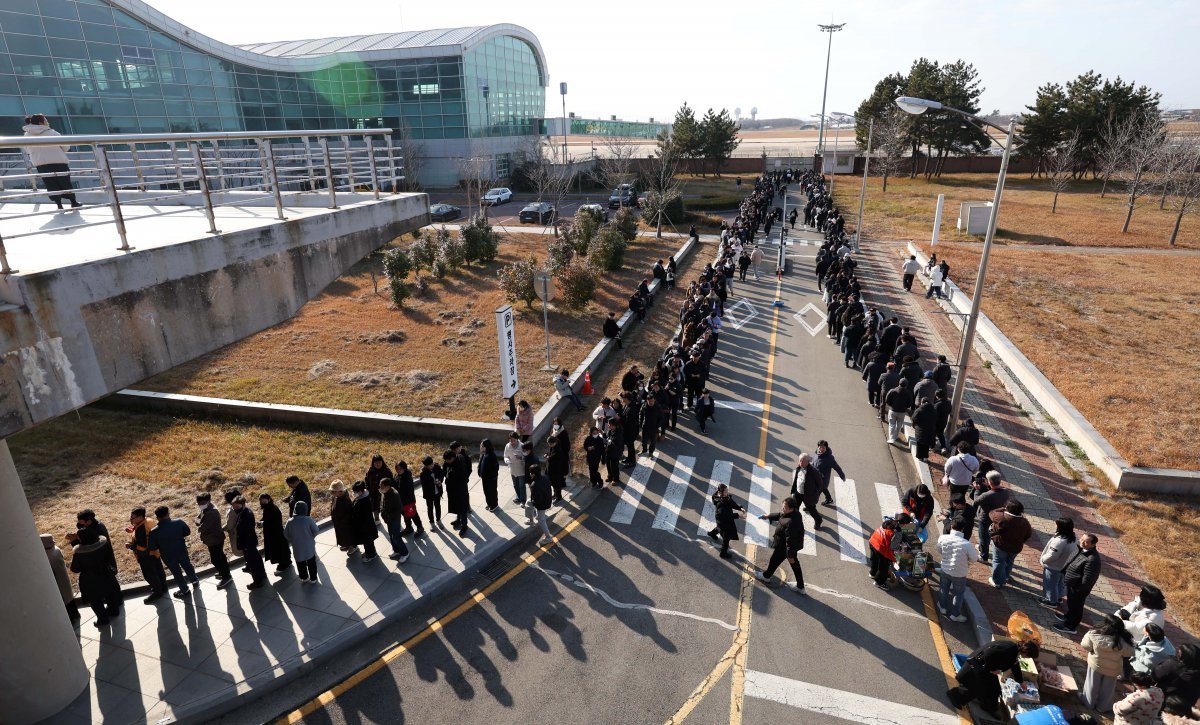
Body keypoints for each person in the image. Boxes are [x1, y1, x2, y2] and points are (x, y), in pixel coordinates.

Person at [947, 638, 1040, 715]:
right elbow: (988, 653)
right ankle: (955, 695)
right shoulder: (1009, 650)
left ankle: (987, 706)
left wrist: (1021, 682)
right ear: (1026, 652)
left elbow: (1015, 666)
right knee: (981, 688)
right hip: (975, 668)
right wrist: (991, 669)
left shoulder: (1014, 650)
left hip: (983, 669)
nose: (1027, 658)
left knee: (995, 689)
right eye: (1028, 656)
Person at [22, 114, 83, 210]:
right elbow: (66, 147)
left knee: (50, 184)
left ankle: (59, 205)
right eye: (45, 120)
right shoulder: (52, 132)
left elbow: (26, 149)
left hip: (40, 163)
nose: (47, 122)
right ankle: (73, 202)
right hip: (58, 161)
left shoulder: (26, 135)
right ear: (40, 122)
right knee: (65, 182)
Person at [68, 523, 122, 628]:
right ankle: (114, 611)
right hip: (106, 574)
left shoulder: (79, 553)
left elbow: (75, 569)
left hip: (90, 581)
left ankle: (103, 619)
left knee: (95, 601)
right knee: (110, 594)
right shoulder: (104, 543)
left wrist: (74, 543)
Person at [1081, 613, 1137, 713]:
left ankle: (1089, 703)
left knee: (1091, 684)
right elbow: (1130, 652)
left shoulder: (1094, 634)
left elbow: (1085, 645)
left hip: (1096, 665)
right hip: (1113, 668)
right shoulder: (1122, 640)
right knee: (1108, 689)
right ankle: (1103, 707)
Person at [754, 496, 806, 593]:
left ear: (791, 508)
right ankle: (800, 586)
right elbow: (780, 515)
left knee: (774, 560)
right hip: (789, 547)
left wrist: (790, 554)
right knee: (795, 565)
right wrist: (768, 516)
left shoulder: (790, 523)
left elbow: (790, 539)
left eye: (785, 507)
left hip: (784, 547)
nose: (783, 508)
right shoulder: (795, 513)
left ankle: (766, 576)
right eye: (783, 506)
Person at [1054, 533, 1102, 635]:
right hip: (1072, 584)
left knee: (1076, 607)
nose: (1082, 542)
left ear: (1093, 545)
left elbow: (1088, 578)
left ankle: (1070, 627)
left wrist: (1079, 590)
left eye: (1086, 541)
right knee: (1071, 604)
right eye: (1081, 539)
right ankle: (1067, 616)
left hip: (1078, 588)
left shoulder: (1092, 559)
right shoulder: (1081, 549)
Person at [152, 505, 199, 598]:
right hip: (181, 550)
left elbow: (153, 547)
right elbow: (187, 532)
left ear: (157, 517)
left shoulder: (154, 532)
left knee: (176, 573)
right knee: (187, 566)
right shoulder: (178, 522)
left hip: (168, 556)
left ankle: (184, 590)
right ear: (168, 513)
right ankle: (194, 580)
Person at [936, 520, 978, 622]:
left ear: (951, 527)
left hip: (945, 569)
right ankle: (955, 614)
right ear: (963, 529)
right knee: (958, 594)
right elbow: (974, 559)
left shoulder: (943, 538)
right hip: (960, 573)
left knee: (943, 589)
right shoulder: (967, 544)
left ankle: (943, 607)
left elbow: (939, 550)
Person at [126, 507, 167, 604]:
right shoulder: (148, 520)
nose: (131, 519)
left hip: (146, 555)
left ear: (140, 517)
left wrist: (130, 546)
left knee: (149, 575)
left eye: (132, 518)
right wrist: (133, 528)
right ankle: (163, 588)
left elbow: (142, 546)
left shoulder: (141, 529)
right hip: (155, 552)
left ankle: (157, 592)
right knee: (159, 571)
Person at [988, 500, 1032, 589]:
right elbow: (1028, 535)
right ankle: (1006, 576)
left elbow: (991, 513)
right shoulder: (1025, 522)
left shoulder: (1001, 517)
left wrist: (1002, 508)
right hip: (1016, 547)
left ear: (1008, 509)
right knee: (1009, 561)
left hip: (1001, 545)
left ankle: (997, 582)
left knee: (998, 561)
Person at [196, 492, 233, 589]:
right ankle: (224, 572)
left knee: (216, 559)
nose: (200, 505)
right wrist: (198, 522)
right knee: (220, 556)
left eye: (202, 503)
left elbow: (202, 528)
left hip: (214, 539)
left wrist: (198, 526)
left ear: (208, 501)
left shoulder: (211, 512)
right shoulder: (208, 508)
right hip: (214, 538)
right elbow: (199, 518)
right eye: (199, 503)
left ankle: (226, 577)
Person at [1039, 517, 1077, 609]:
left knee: (1051, 584)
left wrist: (1043, 560)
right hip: (1064, 566)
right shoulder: (1073, 538)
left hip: (1053, 567)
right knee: (1060, 583)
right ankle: (1058, 597)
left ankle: (1051, 601)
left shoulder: (1059, 541)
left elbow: (1052, 556)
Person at [232, 495, 268, 590]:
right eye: (234, 507)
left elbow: (245, 531)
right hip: (250, 541)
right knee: (256, 558)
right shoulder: (246, 512)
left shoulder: (246, 515)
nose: (235, 509)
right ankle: (262, 575)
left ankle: (257, 581)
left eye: (237, 507)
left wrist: (243, 544)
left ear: (243, 504)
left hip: (247, 542)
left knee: (253, 562)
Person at [42, 533, 79, 621]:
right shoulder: (56, 550)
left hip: (57, 581)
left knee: (64, 600)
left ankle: (71, 618)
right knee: (69, 597)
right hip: (64, 578)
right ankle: (76, 614)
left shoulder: (47, 555)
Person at [971, 470, 1007, 561]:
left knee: (983, 537)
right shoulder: (1005, 492)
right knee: (989, 535)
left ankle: (983, 556)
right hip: (997, 517)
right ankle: (981, 547)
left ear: (990, 482)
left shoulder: (987, 495)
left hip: (986, 518)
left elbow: (976, 500)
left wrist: (977, 490)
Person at [1155, 643, 1200, 714]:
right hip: (1184, 705)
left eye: (1179, 652)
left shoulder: (1172, 664)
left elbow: (1156, 675)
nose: (1177, 652)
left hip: (1166, 698)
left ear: (1184, 657)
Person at [284, 501, 321, 584]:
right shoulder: (308, 519)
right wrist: (311, 536)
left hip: (297, 546)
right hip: (309, 546)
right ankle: (313, 578)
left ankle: (304, 577)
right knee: (311, 562)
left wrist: (292, 539)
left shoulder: (290, 522)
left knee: (300, 563)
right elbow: (316, 530)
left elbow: (286, 534)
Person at [707, 483, 745, 560]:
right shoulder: (721, 503)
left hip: (722, 520)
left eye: (727, 490)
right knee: (726, 538)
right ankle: (723, 553)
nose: (727, 492)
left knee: (720, 528)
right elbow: (725, 515)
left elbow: (731, 502)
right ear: (721, 492)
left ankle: (712, 533)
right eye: (726, 491)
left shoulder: (724, 496)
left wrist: (739, 508)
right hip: (723, 520)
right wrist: (738, 515)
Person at [378, 479, 410, 563]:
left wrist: (388, 516)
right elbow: (382, 504)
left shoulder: (394, 495)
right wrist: (383, 514)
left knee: (396, 537)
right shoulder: (384, 493)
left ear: (388, 486)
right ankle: (396, 550)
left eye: (382, 486)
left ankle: (405, 553)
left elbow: (399, 509)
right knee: (391, 535)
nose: (380, 487)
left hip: (394, 520)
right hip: (388, 519)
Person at [258, 494, 291, 576]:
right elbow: (267, 518)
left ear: (269, 499)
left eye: (264, 499)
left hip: (276, 534)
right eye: (261, 500)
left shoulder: (272, 508)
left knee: (278, 550)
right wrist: (262, 521)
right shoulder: (268, 507)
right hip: (275, 533)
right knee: (280, 549)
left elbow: (274, 522)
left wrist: (263, 523)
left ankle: (283, 565)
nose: (263, 501)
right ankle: (286, 562)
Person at [790, 453, 824, 530]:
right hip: (798, 493)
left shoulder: (814, 472)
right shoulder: (799, 467)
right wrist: (794, 491)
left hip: (808, 495)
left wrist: (815, 494)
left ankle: (818, 520)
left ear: (808, 462)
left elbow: (820, 485)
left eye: (803, 461)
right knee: (795, 508)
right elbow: (796, 479)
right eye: (800, 461)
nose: (801, 463)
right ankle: (795, 522)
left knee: (812, 510)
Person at [444, 448, 472, 538]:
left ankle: (464, 526)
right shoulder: (457, 458)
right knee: (457, 506)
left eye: (448, 460)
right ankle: (458, 519)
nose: (447, 462)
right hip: (455, 490)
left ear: (452, 457)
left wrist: (449, 477)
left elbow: (459, 478)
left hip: (460, 490)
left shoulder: (459, 465)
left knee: (463, 508)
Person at [392, 460, 424, 537]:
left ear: (404, 468)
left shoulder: (407, 477)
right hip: (401, 501)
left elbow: (403, 489)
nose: (398, 470)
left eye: (400, 469)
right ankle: (409, 528)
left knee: (413, 514)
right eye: (397, 469)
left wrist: (395, 488)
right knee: (406, 515)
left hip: (408, 501)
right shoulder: (397, 475)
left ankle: (420, 527)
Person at [350, 481, 379, 562]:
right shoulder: (361, 497)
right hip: (365, 526)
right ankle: (370, 552)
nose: (354, 493)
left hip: (365, 526)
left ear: (361, 491)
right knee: (368, 542)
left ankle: (371, 555)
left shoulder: (364, 501)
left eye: (355, 492)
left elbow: (361, 515)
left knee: (367, 542)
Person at [868, 518, 900, 590]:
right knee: (883, 568)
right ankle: (879, 583)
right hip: (881, 549)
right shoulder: (894, 533)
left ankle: (872, 573)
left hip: (873, 542)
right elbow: (894, 547)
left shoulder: (884, 526)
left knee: (875, 560)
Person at [528, 463, 554, 546]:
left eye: (530, 473)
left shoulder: (534, 485)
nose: (530, 474)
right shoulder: (545, 477)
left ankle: (548, 537)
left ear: (533, 474)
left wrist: (533, 502)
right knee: (528, 503)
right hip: (547, 500)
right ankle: (531, 520)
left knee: (541, 520)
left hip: (541, 505)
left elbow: (537, 501)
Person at [812, 440, 845, 506]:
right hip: (815, 477)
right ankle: (829, 499)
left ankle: (811, 506)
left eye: (823, 447)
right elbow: (812, 462)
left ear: (826, 448)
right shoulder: (816, 453)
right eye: (820, 447)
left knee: (815, 494)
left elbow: (837, 468)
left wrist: (842, 476)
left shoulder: (829, 458)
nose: (821, 449)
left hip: (822, 479)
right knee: (824, 489)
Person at [883, 378, 914, 444]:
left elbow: (887, 400)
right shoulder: (908, 393)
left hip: (892, 410)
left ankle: (891, 438)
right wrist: (905, 407)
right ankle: (896, 436)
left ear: (899, 383)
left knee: (892, 425)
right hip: (902, 412)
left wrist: (891, 405)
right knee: (899, 425)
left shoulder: (892, 391)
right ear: (906, 385)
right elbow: (910, 403)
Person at [329, 480, 356, 554]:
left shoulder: (346, 499)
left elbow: (349, 513)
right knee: (342, 535)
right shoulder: (335, 497)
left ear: (340, 491)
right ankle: (346, 544)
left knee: (348, 535)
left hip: (344, 523)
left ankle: (352, 546)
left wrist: (343, 521)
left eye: (334, 491)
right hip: (338, 522)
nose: (332, 493)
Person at [364, 454, 392, 523]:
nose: (377, 464)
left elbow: (391, 482)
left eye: (379, 462)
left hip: (385, 494)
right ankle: (377, 519)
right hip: (374, 493)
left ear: (382, 462)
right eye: (375, 462)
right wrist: (368, 489)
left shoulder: (387, 471)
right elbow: (366, 480)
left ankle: (390, 518)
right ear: (373, 463)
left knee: (386, 507)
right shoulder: (370, 471)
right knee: (375, 507)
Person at [419, 456, 444, 530]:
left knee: (437, 506)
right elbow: (424, 485)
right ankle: (432, 523)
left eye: (432, 464)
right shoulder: (423, 473)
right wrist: (433, 482)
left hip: (437, 492)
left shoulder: (437, 467)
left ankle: (438, 520)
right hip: (429, 494)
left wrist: (440, 481)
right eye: (430, 465)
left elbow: (441, 475)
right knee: (430, 508)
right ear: (426, 466)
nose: (432, 466)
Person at [474, 440, 500, 511]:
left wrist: (491, 476)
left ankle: (494, 505)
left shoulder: (492, 455)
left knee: (492, 492)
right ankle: (489, 504)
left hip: (491, 478)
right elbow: (480, 464)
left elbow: (496, 467)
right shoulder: (484, 454)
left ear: (486, 446)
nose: (481, 447)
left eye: (482, 446)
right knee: (486, 491)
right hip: (484, 478)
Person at [503, 431, 527, 506]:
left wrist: (521, 457)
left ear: (517, 439)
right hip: (512, 469)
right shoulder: (507, 446)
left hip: (521, 470)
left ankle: (523, 500)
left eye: (514, 440)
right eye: (510, 440)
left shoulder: (522, 446)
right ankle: (518, 497)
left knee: (521, 486)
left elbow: (527, 456)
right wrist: (507, 460)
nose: (512, 442)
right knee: (515, 485)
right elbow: (505, 456)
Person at [546, 433, 569, 502]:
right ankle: (555, 494)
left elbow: (552, 458)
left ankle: (558, 497)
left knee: (557, 485)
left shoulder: (558, 450)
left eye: (550, 444)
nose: (549, 445)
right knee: (553, 484)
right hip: (551, 470)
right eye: (549, 444)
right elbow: (550, 454)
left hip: (557, 471)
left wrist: (548, 457)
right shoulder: (552, 447)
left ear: (554, 442)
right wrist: (547, 454)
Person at [223, 489, 244, 559]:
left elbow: (230, 526)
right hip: (248, 533)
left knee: (244, 550)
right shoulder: (243, 505)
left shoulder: (232, 511)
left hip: (238, 535)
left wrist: (221, 529)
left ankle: (250, 564)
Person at [604, 419, 623, 485]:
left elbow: (616, 444)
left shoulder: (618, 433)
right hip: (609, 451)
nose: (608, 426)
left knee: (614, 466)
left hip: (615, 452)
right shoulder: (610, 430)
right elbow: (607, 437)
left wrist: (609, 442)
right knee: (608, 464)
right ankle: (610, 476)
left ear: (613, 425)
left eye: (609, 424)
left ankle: (616, 479)